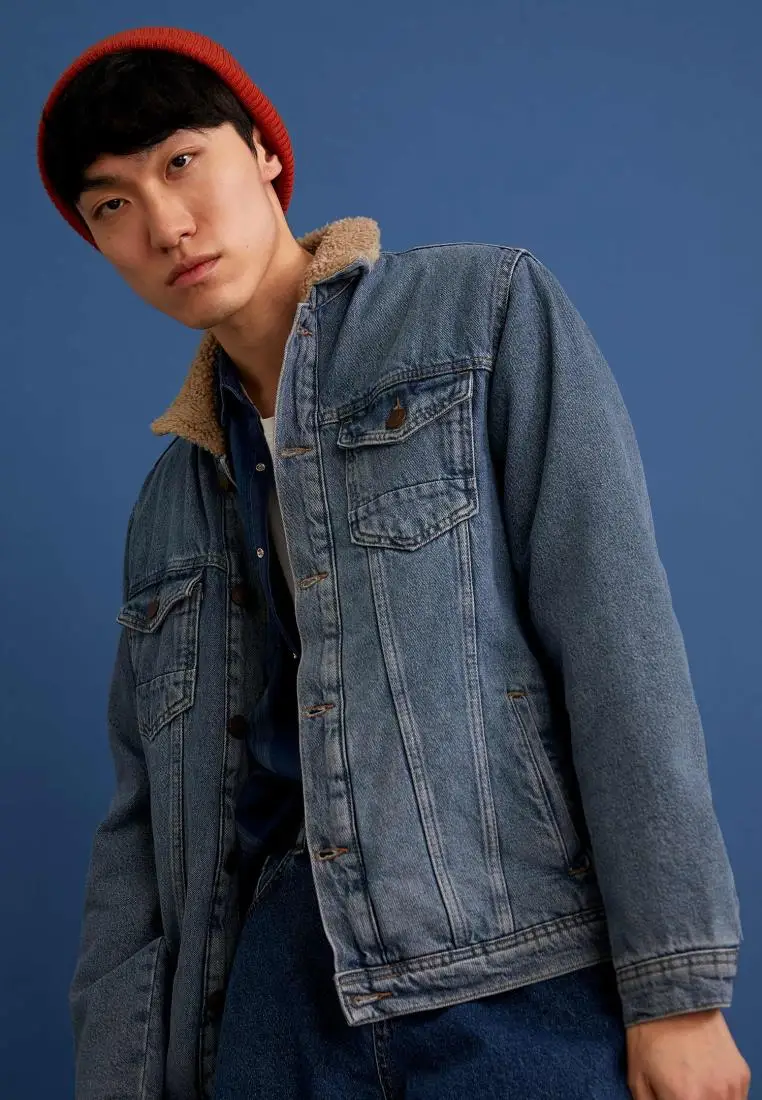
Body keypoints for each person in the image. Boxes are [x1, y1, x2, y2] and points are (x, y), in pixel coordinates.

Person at [37, 25, 750, 1100]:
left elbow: (618, 644)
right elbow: (140, 836)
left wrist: (677, 989)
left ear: (263, 153)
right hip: (272, 1021)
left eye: (182, 161)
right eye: (111, 206)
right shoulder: (170, 505)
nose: (164, 224)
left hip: (512, 984)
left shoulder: (480, 315)